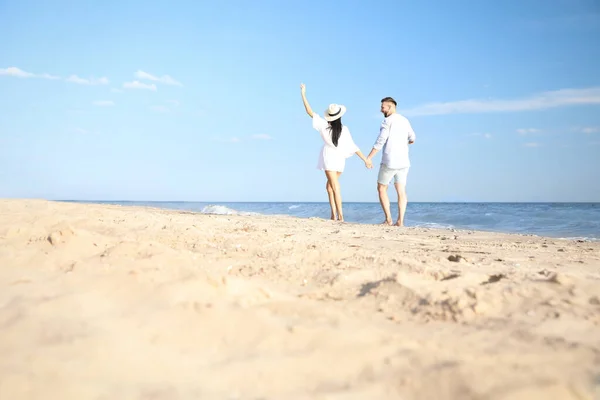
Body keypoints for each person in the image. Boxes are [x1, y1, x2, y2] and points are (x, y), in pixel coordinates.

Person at [300, 83, 370, 222]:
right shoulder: (344, 129)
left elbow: (309, 112)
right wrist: (365, 159)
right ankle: (334, 215)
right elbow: (353, 146)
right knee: (330, 186)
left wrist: (303, 94)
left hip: (329, 156)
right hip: (339, 158)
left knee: (335, 186)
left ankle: (340, 216)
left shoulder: (324, 125)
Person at [366, 96, 416, 226]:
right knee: (401, 190)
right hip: (404, 161)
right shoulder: (405, 120)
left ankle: (388, 219)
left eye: (383, 107)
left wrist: (369, 157)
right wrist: (405, 142)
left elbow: (380, 141)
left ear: (391, 106)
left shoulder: (387, 121)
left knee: (382, 188)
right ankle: (400, 221)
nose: (381, 109)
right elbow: (413, 137)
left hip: (390, 161)